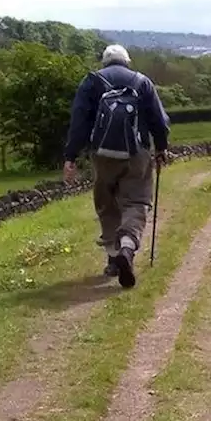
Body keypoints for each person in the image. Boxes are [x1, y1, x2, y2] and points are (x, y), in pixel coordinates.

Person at [63, 44, 170, 288]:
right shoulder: (142, 82)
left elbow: (79, 122)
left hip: (102, 154)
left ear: (104, 62)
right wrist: (162, 148)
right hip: (137, 153)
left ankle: (113, 258)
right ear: (127, 61)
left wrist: (70, 156)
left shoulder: (91, 82)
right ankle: (127, 247)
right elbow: (159, 120)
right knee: (136, 202)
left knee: (106, 202)